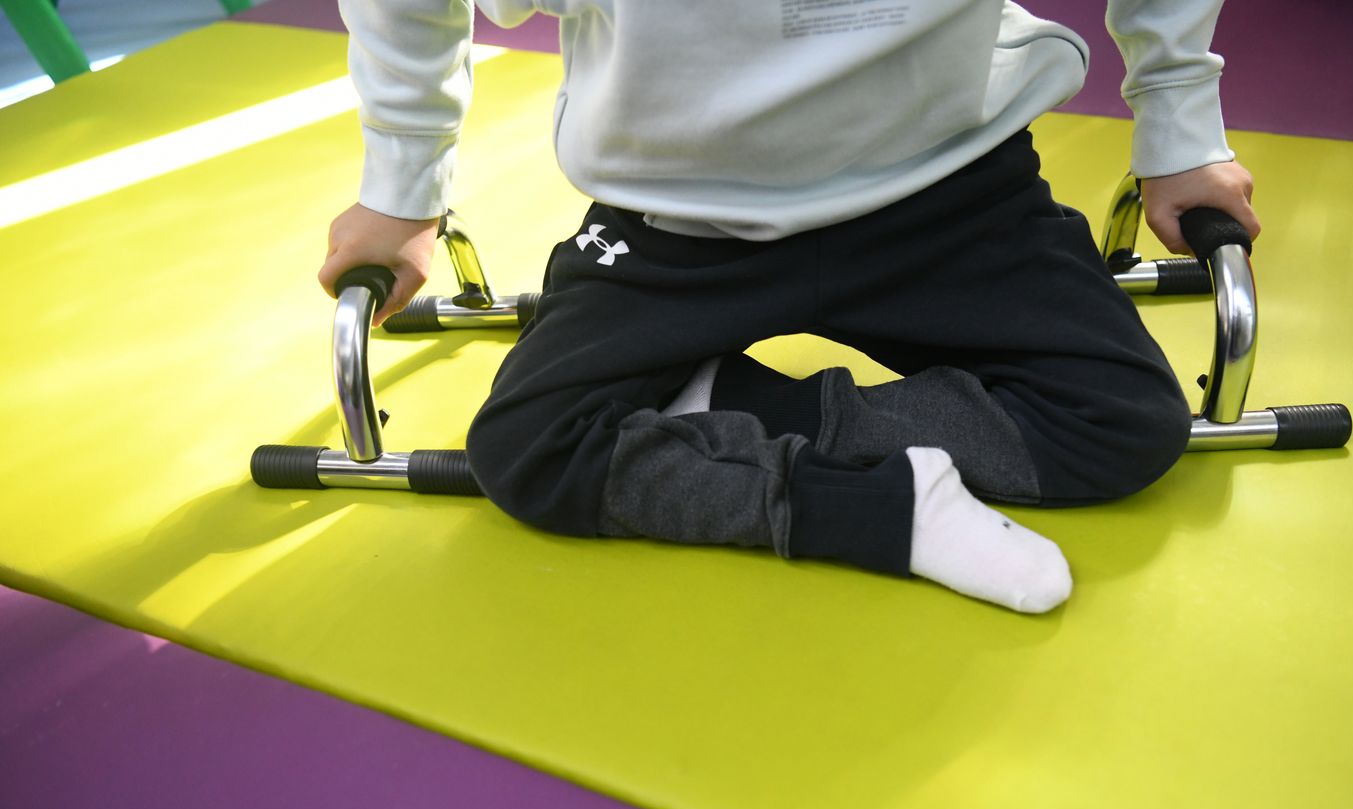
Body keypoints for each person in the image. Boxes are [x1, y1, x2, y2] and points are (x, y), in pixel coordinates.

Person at [320, 0, 1261, 614]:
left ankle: (712, 397)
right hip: (679, 211)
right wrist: (403, 185)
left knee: (1122, 421)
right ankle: (898, 512)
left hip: (946, 184)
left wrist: (1180, 123)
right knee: (530, 446)